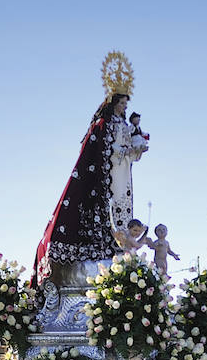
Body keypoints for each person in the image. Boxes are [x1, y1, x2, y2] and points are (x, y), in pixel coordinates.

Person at [32, 92, 147, 286]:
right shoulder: (104, 124)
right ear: (113, 104)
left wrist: (137, 150)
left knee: (123, 204)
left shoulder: (127, 126)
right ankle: (113, 238)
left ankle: (124, 243)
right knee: (110, 205)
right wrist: (124, 151)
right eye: (122, 104)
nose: (124, 108)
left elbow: (133, 153)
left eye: (126, 105)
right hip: (109, 173)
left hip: (124, 172)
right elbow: (103, 149)